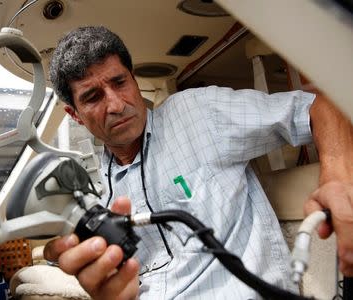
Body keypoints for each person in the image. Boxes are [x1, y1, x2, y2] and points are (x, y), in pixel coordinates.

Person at [44, 26, 353, 299]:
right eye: (93, 97)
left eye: (119, 82)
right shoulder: (103, 195)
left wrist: (337, 177)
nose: (115, 104)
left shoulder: (198, 112)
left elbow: (320, 107)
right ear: (75, 116)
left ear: (134, 80)